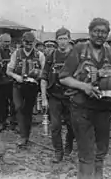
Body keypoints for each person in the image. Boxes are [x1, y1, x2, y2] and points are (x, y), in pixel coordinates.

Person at [59, 18, 111, 179]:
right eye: (96, 31)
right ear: (90, 31)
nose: (100, 35)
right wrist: (84, 86)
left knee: (101, 151)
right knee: (86, 153)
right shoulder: (79, 49)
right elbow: (64, 78)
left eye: (104, 32)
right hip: (81, 108)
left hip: (103, 109)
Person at [41, 27, 74, 163]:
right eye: (60, 39)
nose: (62, 42)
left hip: (71, 97)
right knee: (55, 126)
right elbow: (43, 78)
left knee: (72, 125)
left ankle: (69, 145)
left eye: (65, 39)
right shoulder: (52, 56)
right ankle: (58, 152)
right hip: (54, 96)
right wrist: (43, 99)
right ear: (56, 40)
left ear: (69, 40)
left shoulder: (75, 56)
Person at [6, 32, 45, 147]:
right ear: (22, 42)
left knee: (27, 111)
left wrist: (38, 74)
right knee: (18, 107)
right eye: (26, 43)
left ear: (34, 43)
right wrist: (16, 77)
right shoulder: (16, 54)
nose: (28, 45)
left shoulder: (40, 55)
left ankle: (25, 135)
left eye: (31, 43)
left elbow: (44, 72)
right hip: (18, 85)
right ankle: (23, 135)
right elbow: (8, 71)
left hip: (32, 86)